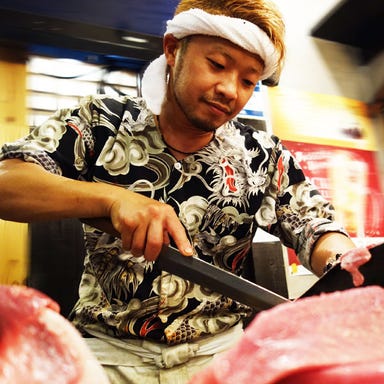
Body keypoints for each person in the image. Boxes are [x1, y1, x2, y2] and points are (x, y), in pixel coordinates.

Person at [0, 0, 356, 382]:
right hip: (107, 351)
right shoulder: (102, 120)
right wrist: (113, 197)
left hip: (220, 352)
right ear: (172, 49)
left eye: (248, 81)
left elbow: (317, 227)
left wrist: (352, 267)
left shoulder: (264, 155)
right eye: (217, 65)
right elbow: (9, 180)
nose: (229, 90)